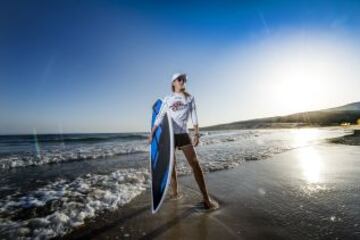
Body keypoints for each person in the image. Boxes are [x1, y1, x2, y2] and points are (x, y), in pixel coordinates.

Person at [147, 73, 219, 210]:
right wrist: (151, 134)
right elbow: (160, 116)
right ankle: (175, 193)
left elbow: (194, 116)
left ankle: (206, 198)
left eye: (184, 79)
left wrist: (197, 133)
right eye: (179, 79)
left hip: (183, 134)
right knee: (171, 166)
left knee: (195, 164)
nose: (182, 81)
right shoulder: (167, 99)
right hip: (169, 136)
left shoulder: (189, 98)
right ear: (173, 82)